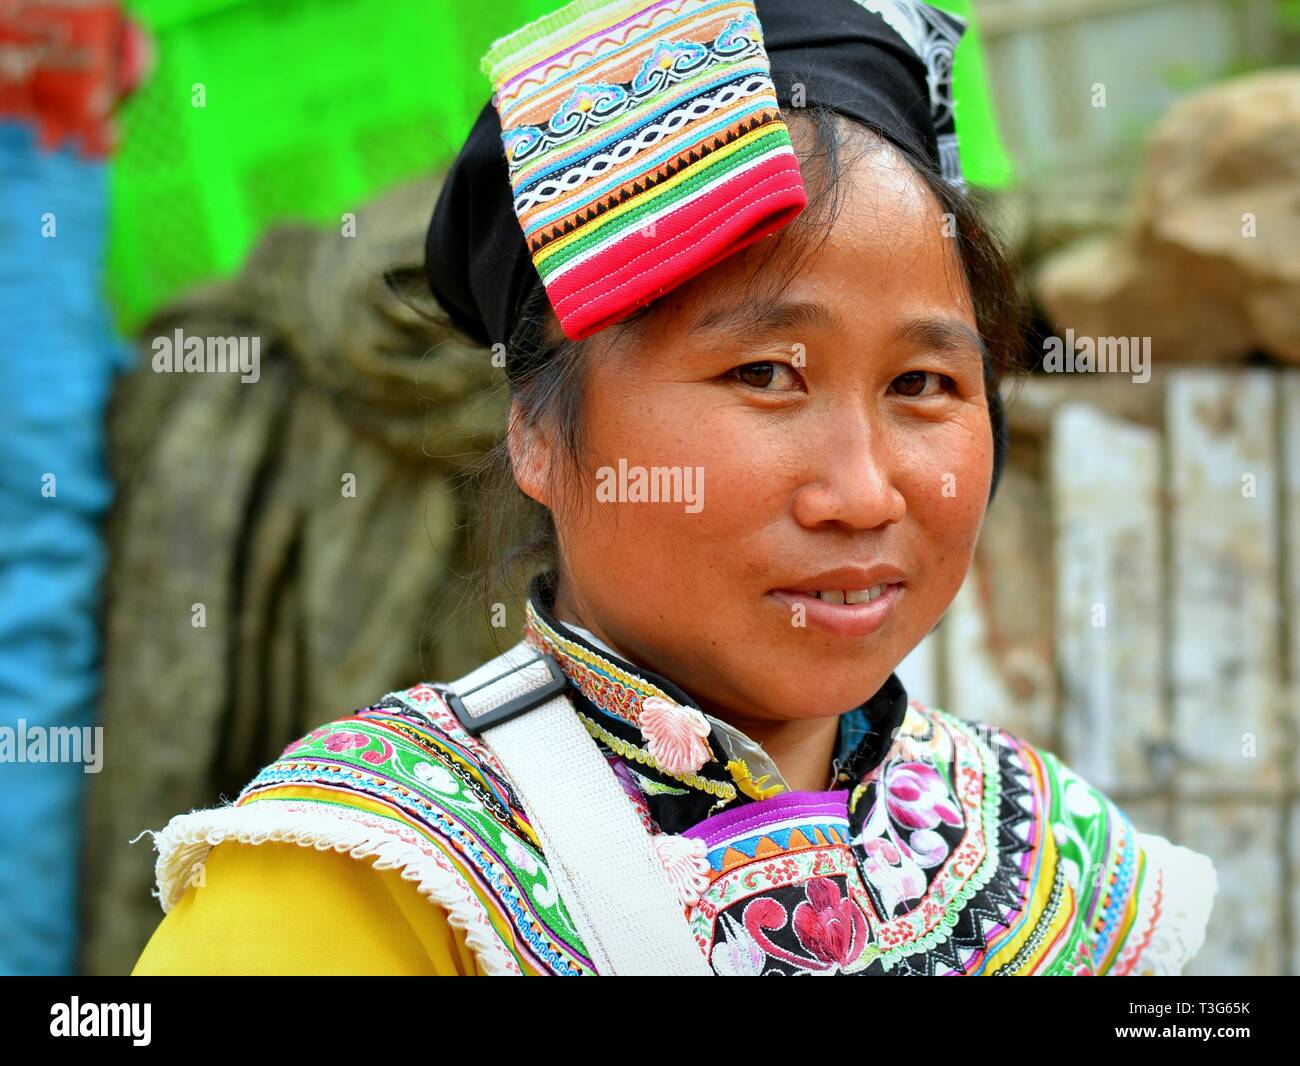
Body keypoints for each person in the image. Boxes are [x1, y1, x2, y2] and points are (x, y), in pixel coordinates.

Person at [132, 0, 1216, 976]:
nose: (862, 490)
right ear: (538, 433)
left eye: (923, 382)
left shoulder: (1060, 861)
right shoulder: (363, 884)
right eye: (762, 375)